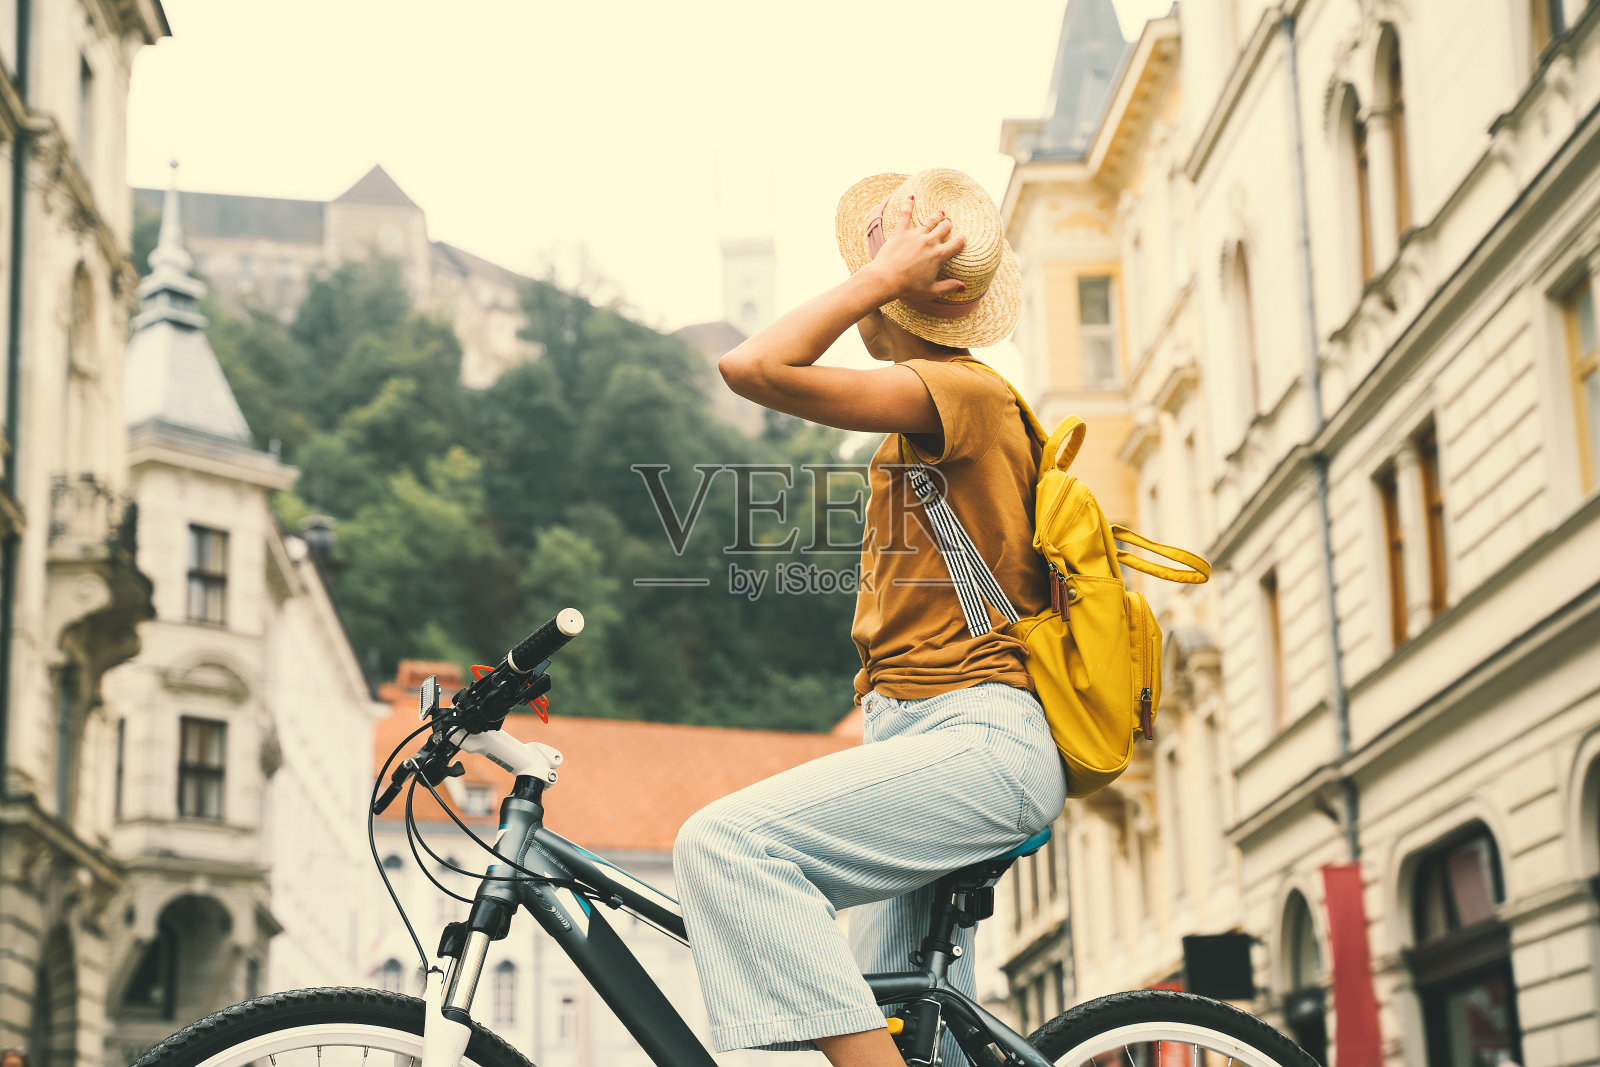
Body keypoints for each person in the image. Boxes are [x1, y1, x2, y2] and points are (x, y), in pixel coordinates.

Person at [671, 167, 1067, 1067]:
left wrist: (882, 273)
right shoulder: (925, 420)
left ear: (921, 288)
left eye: (876, 263)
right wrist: (888, 274)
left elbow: (753, 367)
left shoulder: (960, 394)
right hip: (923, 742)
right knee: (911, 1038)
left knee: (727, 846)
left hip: (980, 739)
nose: (860, 284)